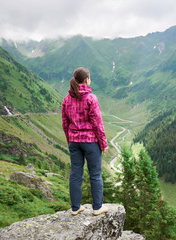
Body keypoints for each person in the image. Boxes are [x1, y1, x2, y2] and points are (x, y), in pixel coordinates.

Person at [62, 67, 109, 216]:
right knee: (95, 174)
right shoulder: (91, 98)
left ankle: (75, 208)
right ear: (87, 80)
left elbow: (65, 123)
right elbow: (97, 123)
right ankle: (97, 208)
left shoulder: (66, 99)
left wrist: (70, 139)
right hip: (90, 141)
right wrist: (103, 143)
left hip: (74, 142)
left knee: (76, 173)